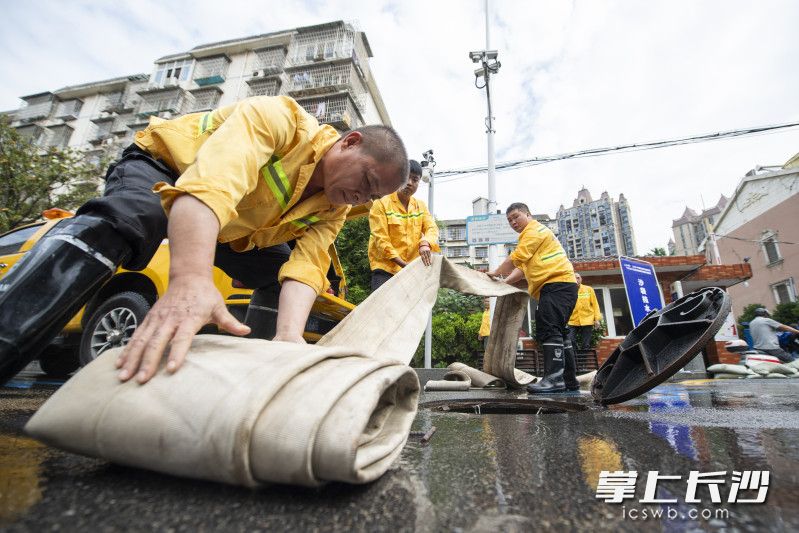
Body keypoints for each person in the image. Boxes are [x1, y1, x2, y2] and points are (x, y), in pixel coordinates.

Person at [0, 95, 408, 385]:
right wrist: (190, 279)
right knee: (128, 220)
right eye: (367, 181)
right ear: (349, 142)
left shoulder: (335, 206)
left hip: (235, 230)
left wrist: (289, 339)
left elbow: (306, 268)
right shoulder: (280, 120)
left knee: (274, 274)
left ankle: (260, 377)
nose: (363, 197)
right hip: (169, 172)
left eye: (372, 196)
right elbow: (209, 187)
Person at [487, 203, 578, 394]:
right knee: (559, 331)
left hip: (556, 284)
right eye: (509, 220)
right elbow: (521, 269)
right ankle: (569, 381)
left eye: (516, 216)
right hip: (559, 285)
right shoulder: (533, 237)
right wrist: (505, 283)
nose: (513, 222)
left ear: (528, 214)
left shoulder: (533, 230)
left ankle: (554, 381)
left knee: (549, 328)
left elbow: (517, 257)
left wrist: (496, 272)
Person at [367, 160, 438, 291]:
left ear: (418, 183)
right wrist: (403, 264)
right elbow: (381, 240)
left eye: (415, 179)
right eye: (406, 177)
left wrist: (425, 243)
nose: (410, 183)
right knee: (383, 309)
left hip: (411, 271)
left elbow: (432, 229)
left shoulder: (420, 206)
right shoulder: (381, 204)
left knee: (411, 310)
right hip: (385, 270)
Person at [568, 272, 603, 350]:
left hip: (587, 319)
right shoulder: (568, 291)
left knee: (585, 344)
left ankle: (583, 360)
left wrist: (597, 319)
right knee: (570, 340)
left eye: (578, 278)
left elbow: (595, 305)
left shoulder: (589, 289)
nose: (576, 279)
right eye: (574, 278)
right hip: (573, 320)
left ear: (581, 279)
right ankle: (577, 355)